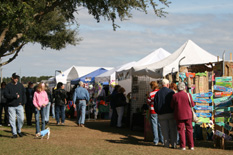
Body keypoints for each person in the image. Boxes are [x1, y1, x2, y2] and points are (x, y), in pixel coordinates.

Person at [171, 82, 195, 150]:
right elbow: (192, 105)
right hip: (188, 115)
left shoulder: (175, 96)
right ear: (184, 87)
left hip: (179, 115)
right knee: (189, 130)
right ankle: (191, 146)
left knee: (181, 130)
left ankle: (183, 146)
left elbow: (172, 106)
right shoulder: (188, 95)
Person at [154, 79, 177, 148]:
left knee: (164, 130)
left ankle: (166, 144)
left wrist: (158, 112)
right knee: (173, 129)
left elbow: (155, 104)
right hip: (171, 113)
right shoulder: (171, 92)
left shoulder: (158, 93)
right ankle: (174, 143)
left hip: (161, 114)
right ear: (168, 85)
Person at [5, 73, 26, 138]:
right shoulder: (8, 86)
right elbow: (6, 95)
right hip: (11, 106)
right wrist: (14, 96)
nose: (16, 79)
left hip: (19, 105)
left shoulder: (20, 85)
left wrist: (23, 102)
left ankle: (19, 130)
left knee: (21, 119)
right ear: (12, 78)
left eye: (17, 78)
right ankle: (14, 133)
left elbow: (23, 94)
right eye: (15, 78)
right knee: (12, 120)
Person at [147, 81, 164, 145]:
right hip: (160, 110)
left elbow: (148, 102)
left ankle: (156, 140)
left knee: (154, 125)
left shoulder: (151, 93)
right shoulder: (160, 92)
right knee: (160, 125)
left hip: (153, 110)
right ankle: (162, 140)